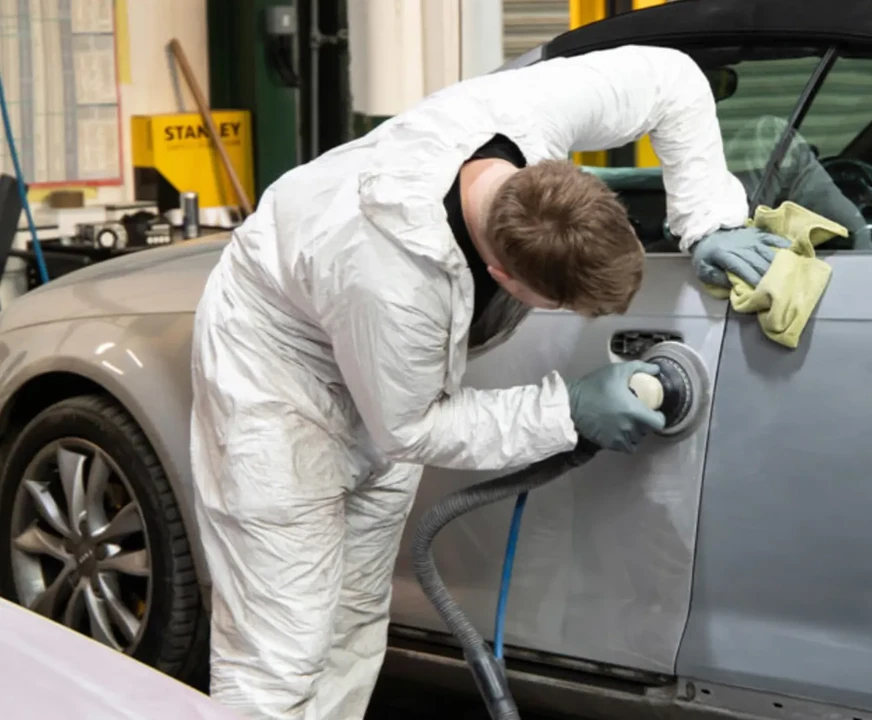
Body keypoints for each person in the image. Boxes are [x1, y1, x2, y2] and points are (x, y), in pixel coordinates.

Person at [188, 44, 789, 720]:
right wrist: (568, 411)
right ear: (506, 279)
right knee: (283, 641)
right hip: (278, 371)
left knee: (354, 615)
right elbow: (412, 427)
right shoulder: (393, 278)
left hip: (375, 356)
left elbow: (672, 79)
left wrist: (707, 218)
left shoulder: (528, 113)